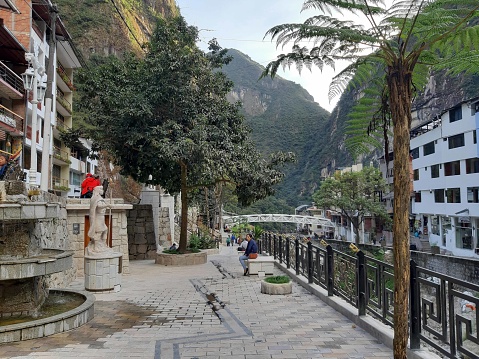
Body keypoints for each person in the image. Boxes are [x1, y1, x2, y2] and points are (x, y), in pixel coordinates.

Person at [85, 186, 113, 256]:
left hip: (102, 218)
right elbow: (99, 206)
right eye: (101, 189)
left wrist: (107, 205)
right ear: (97, 190)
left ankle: (103, 245)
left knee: (105, 230)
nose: (102, 190)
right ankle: (96, 247)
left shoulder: (100, 198)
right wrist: (107, 205)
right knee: (99, 232)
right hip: (98, 218)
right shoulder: (95, 198)